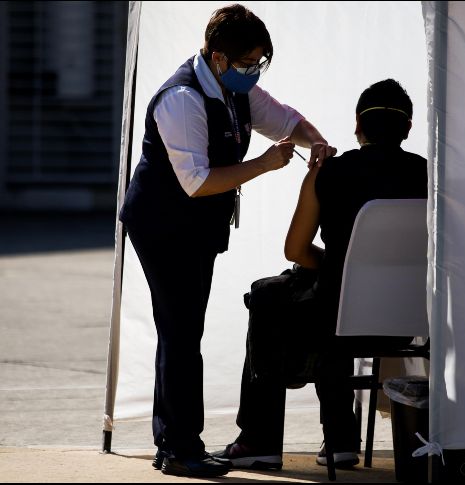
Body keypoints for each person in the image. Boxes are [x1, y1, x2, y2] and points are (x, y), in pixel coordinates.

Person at [118, 4, 336, 478]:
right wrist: (262, 165)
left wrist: (314, 141)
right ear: (218, 57)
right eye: (247, 64)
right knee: (181, 331)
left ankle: (172, 441)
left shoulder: (237, 89)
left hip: (196, 226)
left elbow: (285, 120)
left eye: (260, 63)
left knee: (181, 328)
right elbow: (196, 181)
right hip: (162, 224)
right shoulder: (181, 98)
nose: (253, 73)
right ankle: (181, 448)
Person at [212, 79, 428, 470]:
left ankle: (260, 439)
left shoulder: (328, 173)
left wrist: (345, 268)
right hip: (407, 322)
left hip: (336, 319)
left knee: (269, 296)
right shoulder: (432, 178)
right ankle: (340, 441)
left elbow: (295, 250)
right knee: (314, 298)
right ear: (408, 128)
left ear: (358, 126)